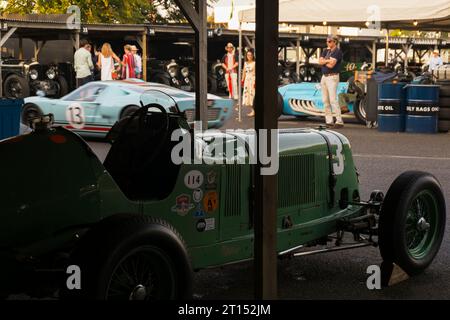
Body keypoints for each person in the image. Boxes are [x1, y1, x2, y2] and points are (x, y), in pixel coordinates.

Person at [319, 35, 344, 128]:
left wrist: (324, 61)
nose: (328, 43)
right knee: (325, 100)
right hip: (324, 77)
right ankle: (329, 121)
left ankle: (339, 121)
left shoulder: (338, 52)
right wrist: (327, 61)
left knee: (333, 99)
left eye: (329, 41)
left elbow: (331, 65)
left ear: (335, 42)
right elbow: (320, 61)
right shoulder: (326, 50)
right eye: (327, 41)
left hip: (332, 76)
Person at [242, 49, 256, 117]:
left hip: (252, 79)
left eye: (250, 55)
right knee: (247, 95)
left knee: (252, 94)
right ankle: (252, 110)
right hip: (247, 80)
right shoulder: (245, 63)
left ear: (253, 56)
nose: (249, 56)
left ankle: (254, 110)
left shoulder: (254, 63)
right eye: (248, 55)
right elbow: (244, 72)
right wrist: (242, 80)